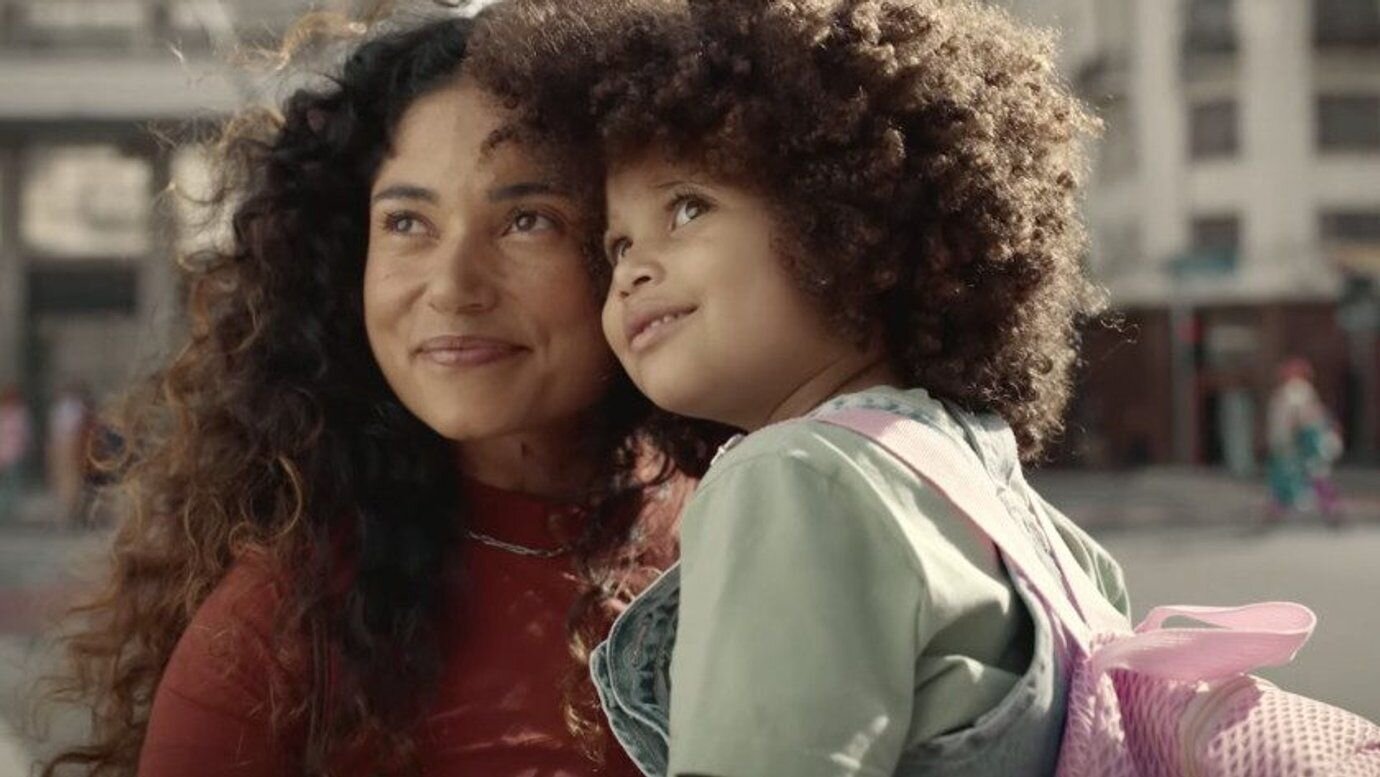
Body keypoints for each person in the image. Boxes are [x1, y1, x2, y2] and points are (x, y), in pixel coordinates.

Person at [39, 8, 715, 777]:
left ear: (630, 246)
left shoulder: (745, 519)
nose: (453, 286)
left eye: (527, 220)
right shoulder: (280, 629)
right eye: (406, 222)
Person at [475, 0, 1132, 774]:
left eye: (687, 207)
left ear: (845, 216)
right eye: (616, 244)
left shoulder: (794, 479)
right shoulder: (1009, 504)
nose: (632, 271)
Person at [1266, 357, 1344, 524]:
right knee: (1296, 474)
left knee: (1306, 473)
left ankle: (1329, 508)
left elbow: (1296, 416)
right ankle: (1278, 509)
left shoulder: (1297, 390)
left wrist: (1287, 437)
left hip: (1301, 438)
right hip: (1294, 439)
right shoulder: (1294, 390)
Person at [46, 382, 93, 528]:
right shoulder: (68, 408)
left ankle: (69, 514)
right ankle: (66, 514)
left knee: (71, 483)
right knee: (66, 483)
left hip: (70, 446)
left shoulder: (74, 408)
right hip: (65, 446)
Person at [0, 385, 32, 523]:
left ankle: (8, 511)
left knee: (12, 484)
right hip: (8, 454)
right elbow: (25, 434)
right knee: (8, 484)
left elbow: (25, 434)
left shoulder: (18, 413)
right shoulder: (14, 414)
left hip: (12, 454)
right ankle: (5, 510)